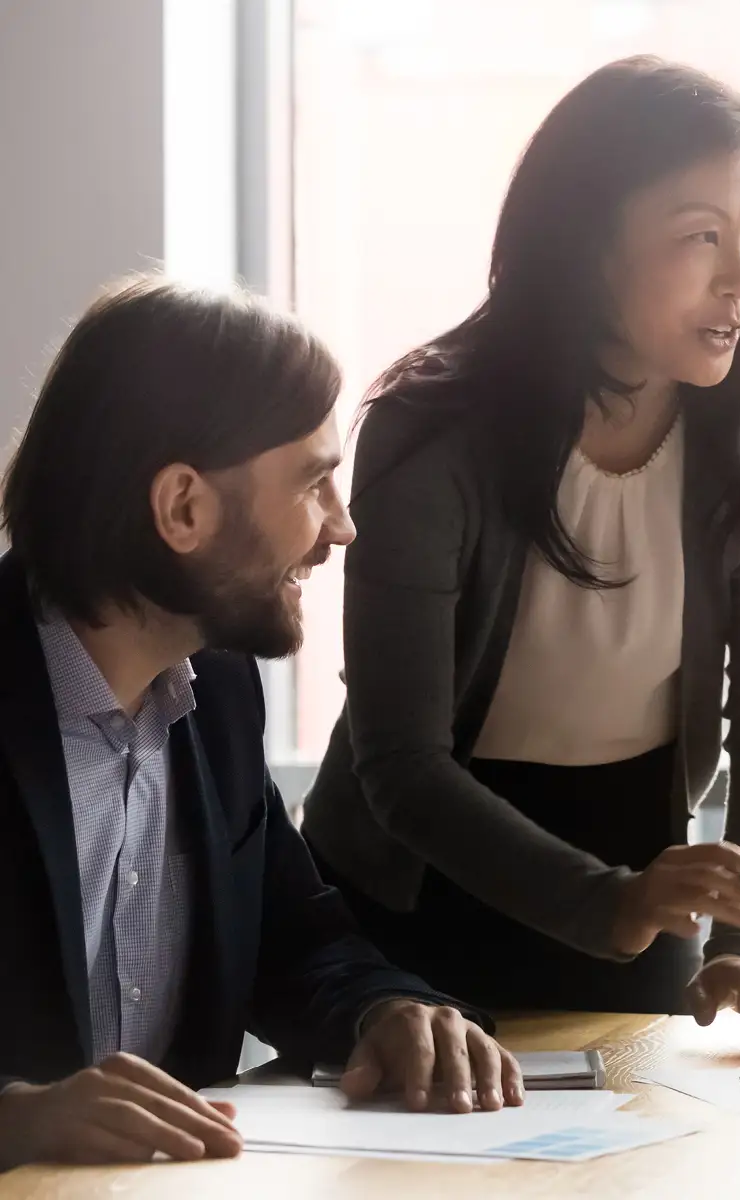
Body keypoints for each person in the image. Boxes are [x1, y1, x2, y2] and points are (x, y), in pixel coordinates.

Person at [300, 57, 740, 1024]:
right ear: (586, 243)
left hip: (637, 858)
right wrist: (607, 902)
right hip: (414, 877)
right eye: (701, 238)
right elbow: (400, 763)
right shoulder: (430, 428)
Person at [0, 278, 521, 1172]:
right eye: (315, 482)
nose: (344, 527)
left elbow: (294, 936)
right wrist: (14, 1125)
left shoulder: (219, 685)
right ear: (184, 508)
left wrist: (386, 1011)